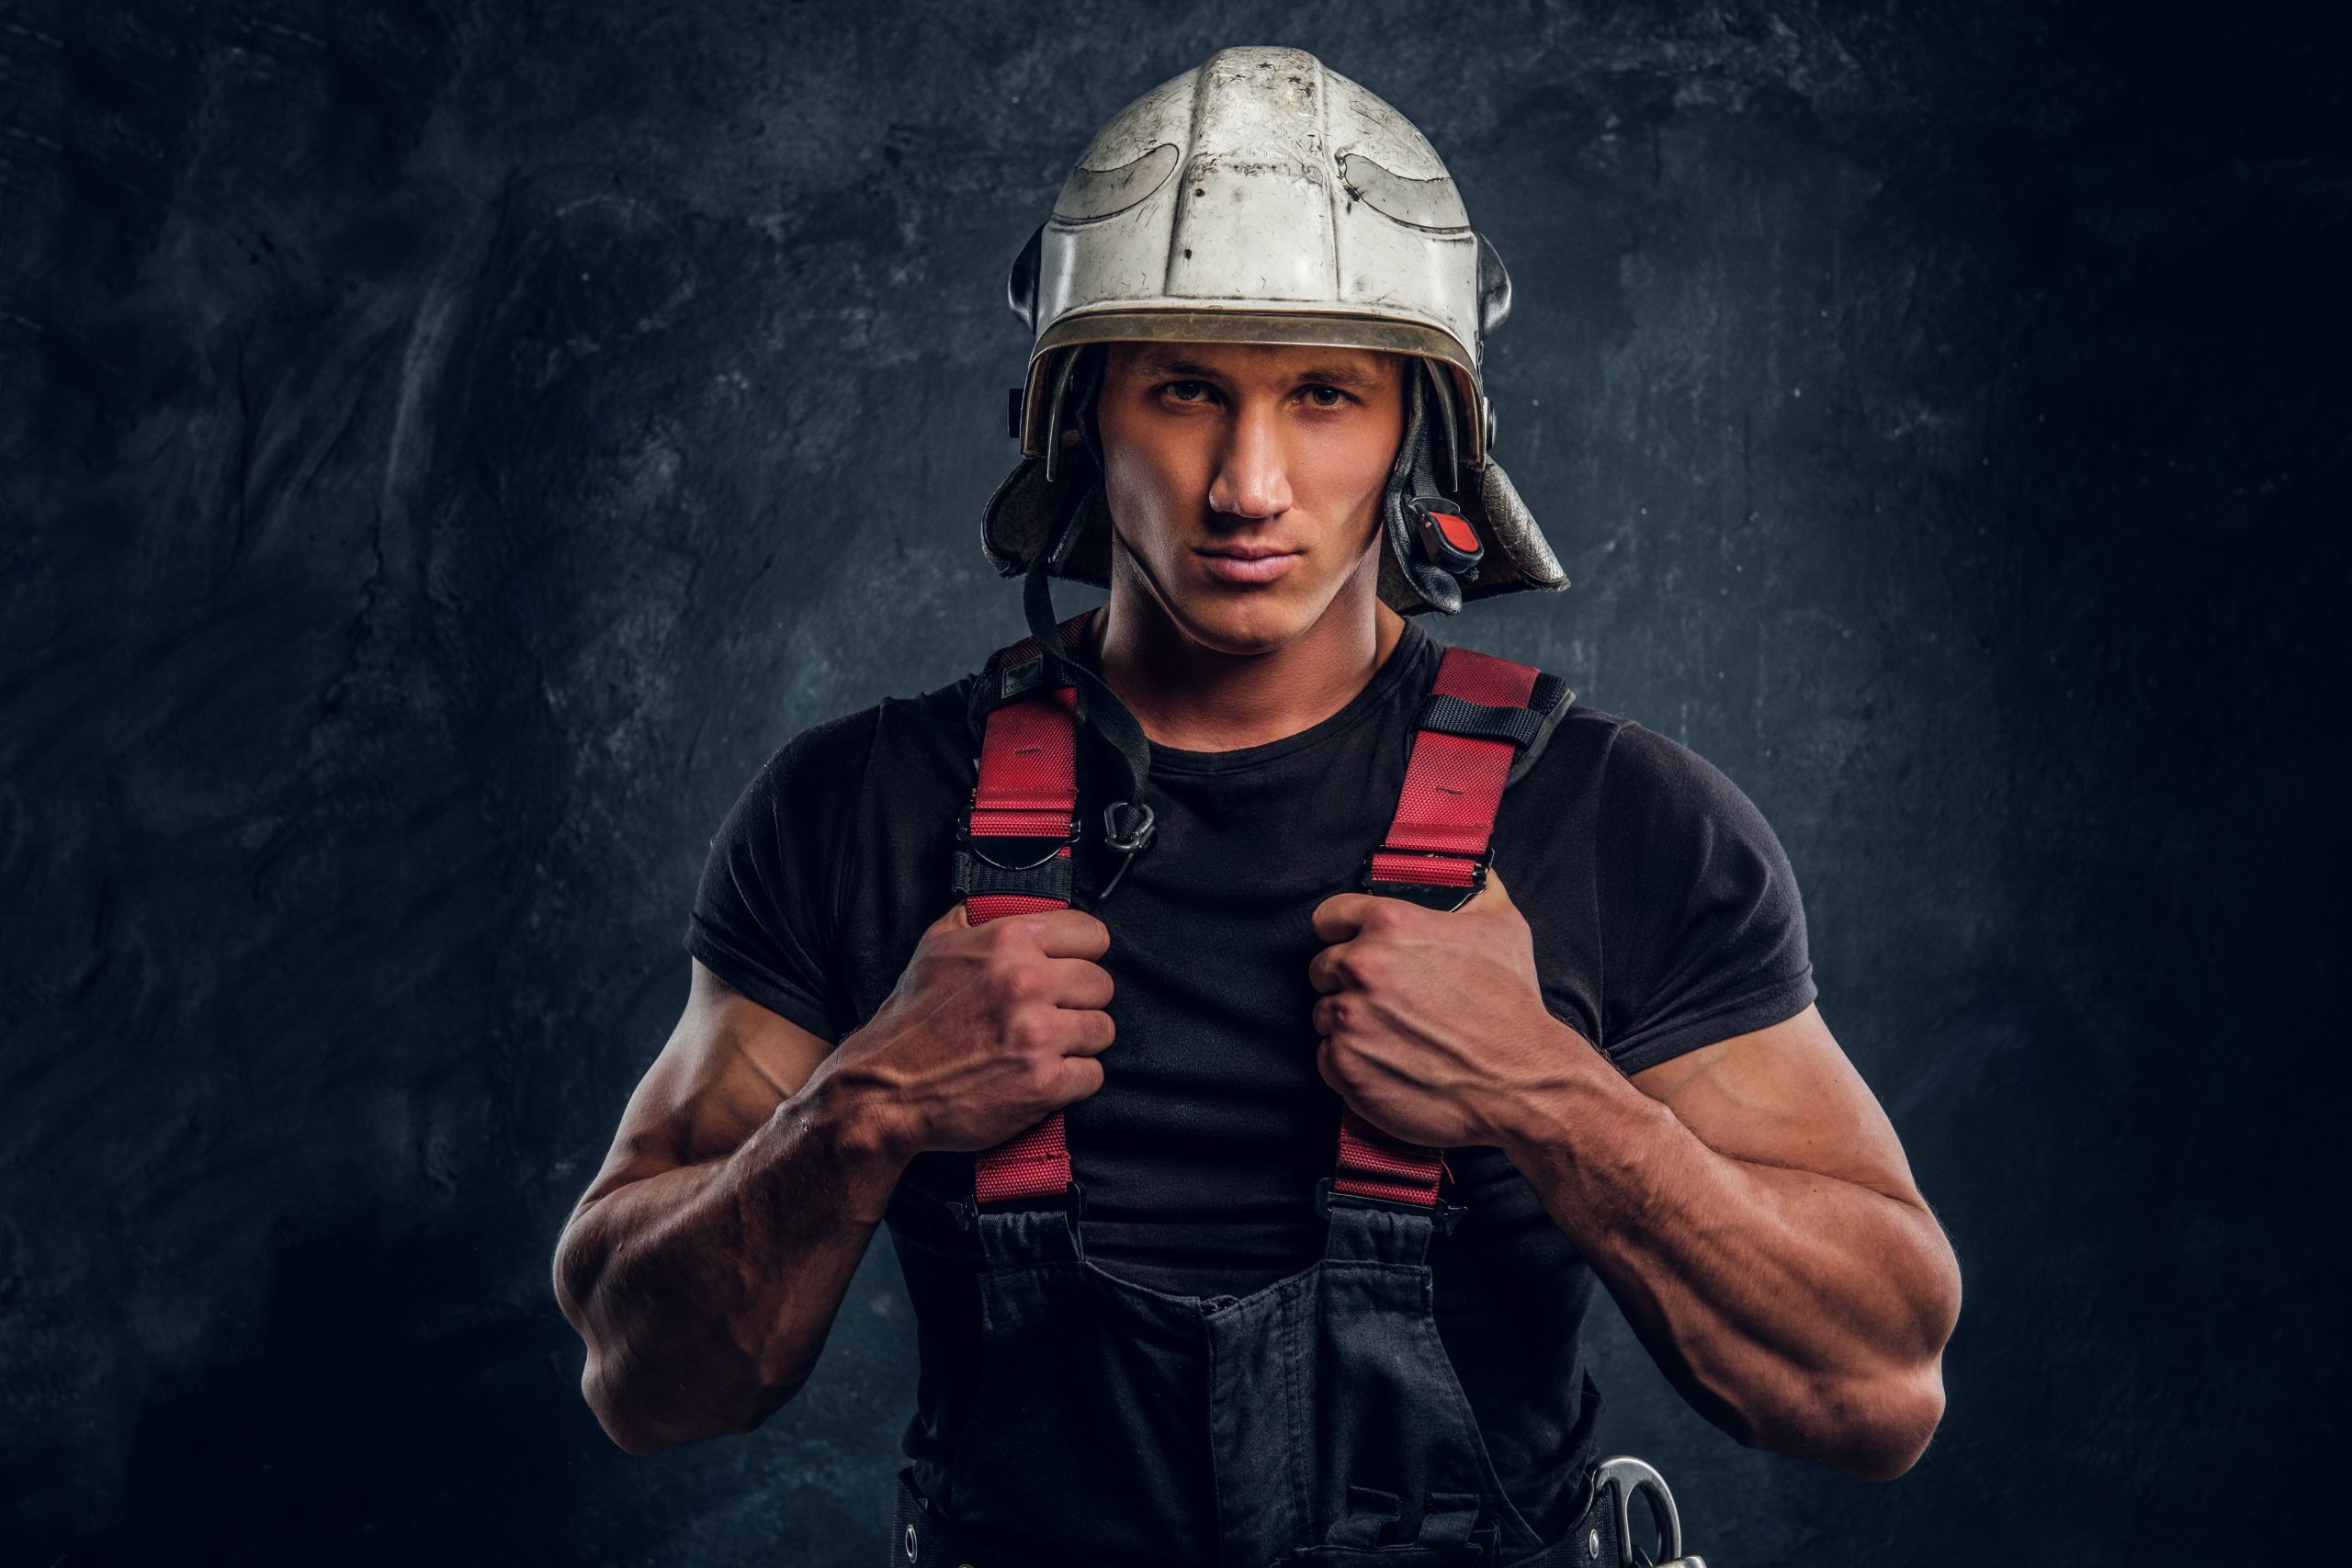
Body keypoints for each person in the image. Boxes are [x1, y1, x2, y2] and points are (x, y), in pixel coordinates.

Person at [552, 47, 1961, 1568]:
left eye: (1324, 396)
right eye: (1183, 392)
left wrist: (1550, 1094)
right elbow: (643, 1382)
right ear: (1076, 416)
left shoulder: (1621, 825)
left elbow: (1874, 1389)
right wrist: (863, 1109)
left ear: (1422, 434)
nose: (1248, 484)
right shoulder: (858, 810)